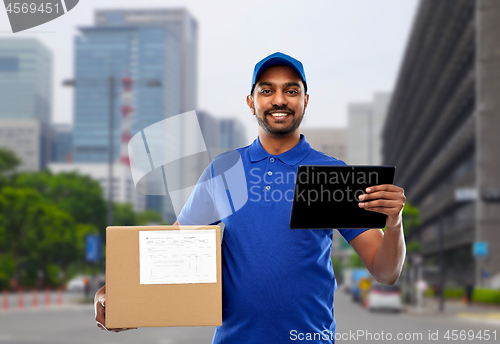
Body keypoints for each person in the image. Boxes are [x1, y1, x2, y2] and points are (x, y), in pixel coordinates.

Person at [94, 52, 406, 343]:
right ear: (251, 101)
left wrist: (394, 224)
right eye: (267, 91)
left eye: (292, 91)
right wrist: (116, 296)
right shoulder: (222, 170)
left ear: (306, 100)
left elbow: (385, 271)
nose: (279, 100)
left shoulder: (332, 174)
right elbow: (170, 254)